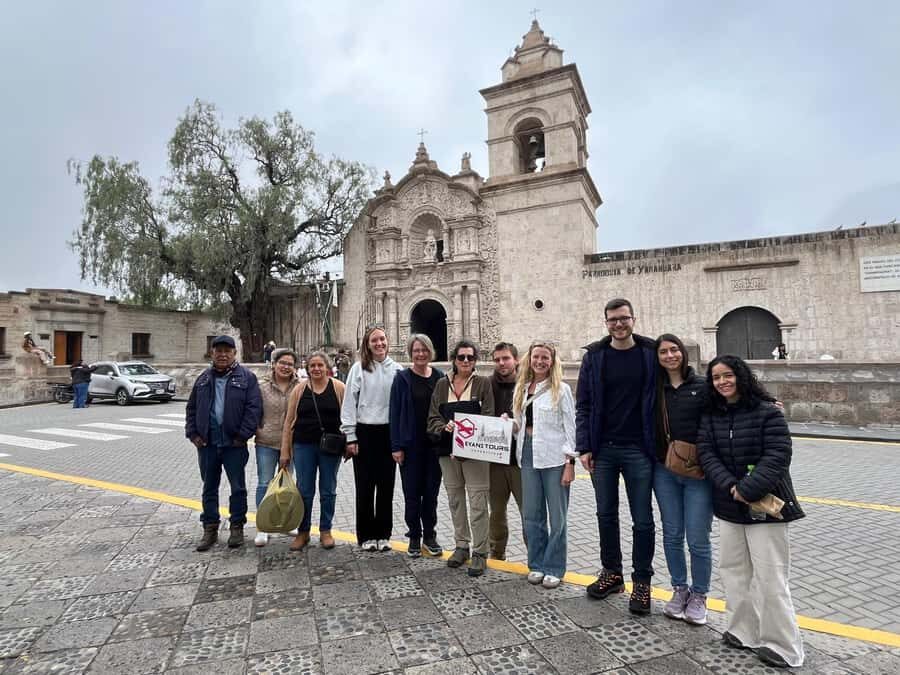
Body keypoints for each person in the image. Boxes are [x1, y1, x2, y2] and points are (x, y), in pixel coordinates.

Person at [697, 355, 805, 669]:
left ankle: (784, 645)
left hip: (766, 506)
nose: (722, 382)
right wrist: (732, 486)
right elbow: (707, 453)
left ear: (741, 376)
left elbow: (779, 453)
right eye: (716, 378)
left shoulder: (767, 412)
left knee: (771, 576)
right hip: (730, 506)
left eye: (727, 375)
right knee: (733, 570)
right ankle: (742, 630)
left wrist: (748, 488)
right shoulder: (711, 415)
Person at [575, 298, 658, 614]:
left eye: (624, 319)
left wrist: (758, 399)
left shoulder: (650, 352)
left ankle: (642, 583)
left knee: (643, 520)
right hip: (604, 450)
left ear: (634, 319)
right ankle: (612, 573)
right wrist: (585, 446)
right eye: (613, 320)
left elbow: (686, 379)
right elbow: (583, 404)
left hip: (639, 449)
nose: (619, 324)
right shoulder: (595, 356)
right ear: (606, 323)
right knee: (605, 515)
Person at [652, 334, 713, 624]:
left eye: (674, 350)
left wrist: (768, 401)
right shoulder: (655, 388)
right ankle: (679, 589)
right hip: (665, 470)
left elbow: (733, 397)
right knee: (672, 534)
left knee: (698, 538)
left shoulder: (702, 385)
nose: (670, 356)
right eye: (663, 352)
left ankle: (699, 594)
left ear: (683, 353)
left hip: (698, 472)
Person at [185, 335, 262, 551]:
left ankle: (236, 526)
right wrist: (193, 434)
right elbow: (191, 409)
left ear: (234, 354)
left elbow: (254, 408)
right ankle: (210, 527)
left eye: (227, 351)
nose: (223, 354)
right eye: (218, 350)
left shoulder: (246, 378)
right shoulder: (203, 379)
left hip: (234, 445)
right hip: (207, 444)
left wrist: (242, 436)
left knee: (238, 487)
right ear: (212, 353)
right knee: (209, 487)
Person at [427, 339, 495, 576]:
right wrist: (443, 427)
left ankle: (480, 551)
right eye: (461, 357)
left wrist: (466, 445)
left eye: (470, 357)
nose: (466, 361)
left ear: (476, 361)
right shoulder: (440, 385)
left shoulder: (483, 384)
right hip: (447, 454)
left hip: (474, 455)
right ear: (454, 359)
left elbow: (488, 417)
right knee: (455, 500)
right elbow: (432, 417)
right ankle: (461, 545)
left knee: (477, 502)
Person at [512, 341, 576, 589]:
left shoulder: (561, 390)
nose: (539, 361)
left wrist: (570, 462)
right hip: (527, 452)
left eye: (545, 358)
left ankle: (555, 566)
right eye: (536, 357)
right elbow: (518, 424)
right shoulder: (521, 388)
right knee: (532, 514)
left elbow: (571, 429)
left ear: (552, 361)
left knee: (557, 517)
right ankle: (536, 563)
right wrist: (506, 422)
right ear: (529, 359)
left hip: (555, 457)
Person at [341, 325, 402, 551]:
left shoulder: (397, 370)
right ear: (367, 344)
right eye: (374, 340)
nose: (379, 344)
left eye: (382, 339)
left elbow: (401, 406)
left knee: (386, 486)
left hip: (388, 433)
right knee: (364, 486)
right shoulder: (358, 369)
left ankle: (383, 535)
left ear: (388, 341)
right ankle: (366, 535)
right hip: (364, 433)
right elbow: (348, 404)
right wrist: (350, 437)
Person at [281, 351, 347, 550]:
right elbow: (288, 422)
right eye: (312, 366)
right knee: (304, 491)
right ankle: (303, 532)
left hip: (331, 447)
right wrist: (285, 451)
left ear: (327, 367)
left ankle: (326, 530)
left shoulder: (339, 388)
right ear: (307, 368)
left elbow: (348, 418)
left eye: (320, 365)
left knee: (328, 490)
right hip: (303, 446)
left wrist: (350, 443)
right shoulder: (299, 390)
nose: (316, 369)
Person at [389, 334, 444, 558]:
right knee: (412, 493)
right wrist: (396, 446)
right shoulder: (402, 378)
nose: (420, 354)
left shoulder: (440, 377)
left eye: (424, 350)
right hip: (410, 446)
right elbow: (394, 412)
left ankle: (430, 534)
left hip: (434, 446)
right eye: (416, 350)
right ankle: (414, 535)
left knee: (431, 492)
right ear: (410, 353)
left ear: (431, 352)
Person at [253, 348, 301, 547]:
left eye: (290, 364)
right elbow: (253, 409)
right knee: (265, 482)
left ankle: (286, 522)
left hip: (290, 443)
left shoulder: (299, 386)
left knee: (286, 485)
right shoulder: (261, 386)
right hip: (266, 441)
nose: (286, 367)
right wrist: (258, 428)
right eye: (282, 363)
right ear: (274, 363)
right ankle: (262, 526)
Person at [488, 341, 524, 561]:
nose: (501, 363)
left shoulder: (527, 385)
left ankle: (537, 556)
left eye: (506, 358)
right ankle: (497, 552)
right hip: (495, 462)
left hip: (521, 461)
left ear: (516, 360)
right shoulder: (487, 385)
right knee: (497, 513)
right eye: (497, 359)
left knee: (528, 513)